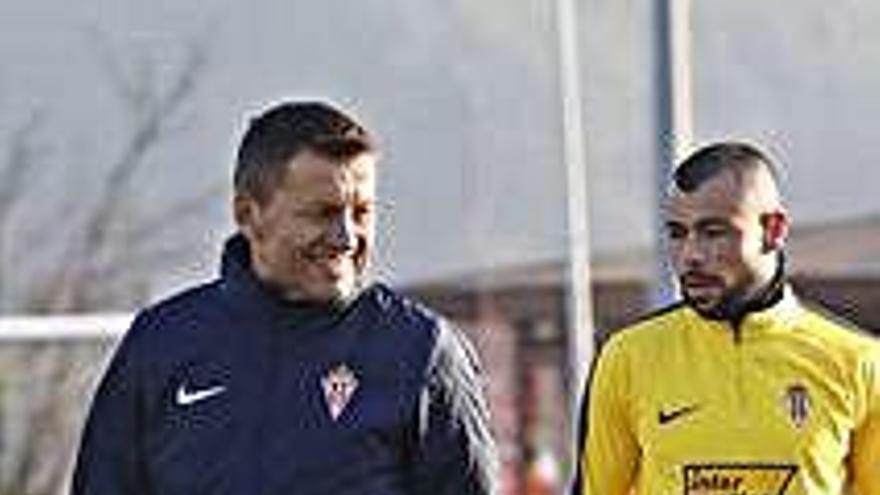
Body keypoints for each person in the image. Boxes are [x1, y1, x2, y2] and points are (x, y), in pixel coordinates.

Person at [72, 100, 499, 495]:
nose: (347, 237)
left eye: (362, 212)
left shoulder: (421, 353)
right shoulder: (161, 345)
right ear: (247, 214)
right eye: (323, 213)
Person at [572, 142, 880, 495]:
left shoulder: (860, 364)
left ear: (774, 230)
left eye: (713, 232)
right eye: (677, 233)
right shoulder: (628, 357)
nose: (691, 255)